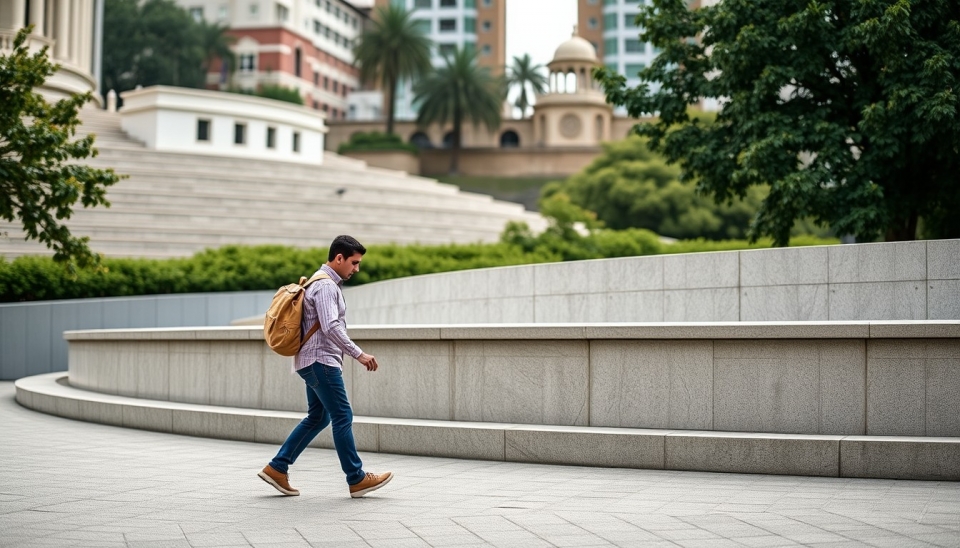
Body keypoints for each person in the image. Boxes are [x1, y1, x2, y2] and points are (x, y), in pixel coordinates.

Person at [258, 235, 393, 498]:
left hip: (310, 362)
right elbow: (331, 326)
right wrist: (359, 354)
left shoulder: (318, 281)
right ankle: (356, 478)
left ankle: (277, 468)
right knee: (343, 416)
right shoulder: (327, 286)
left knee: (318, 417)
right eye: (354, 263)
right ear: (339, 258)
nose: (356, 269)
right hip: (321, 362)